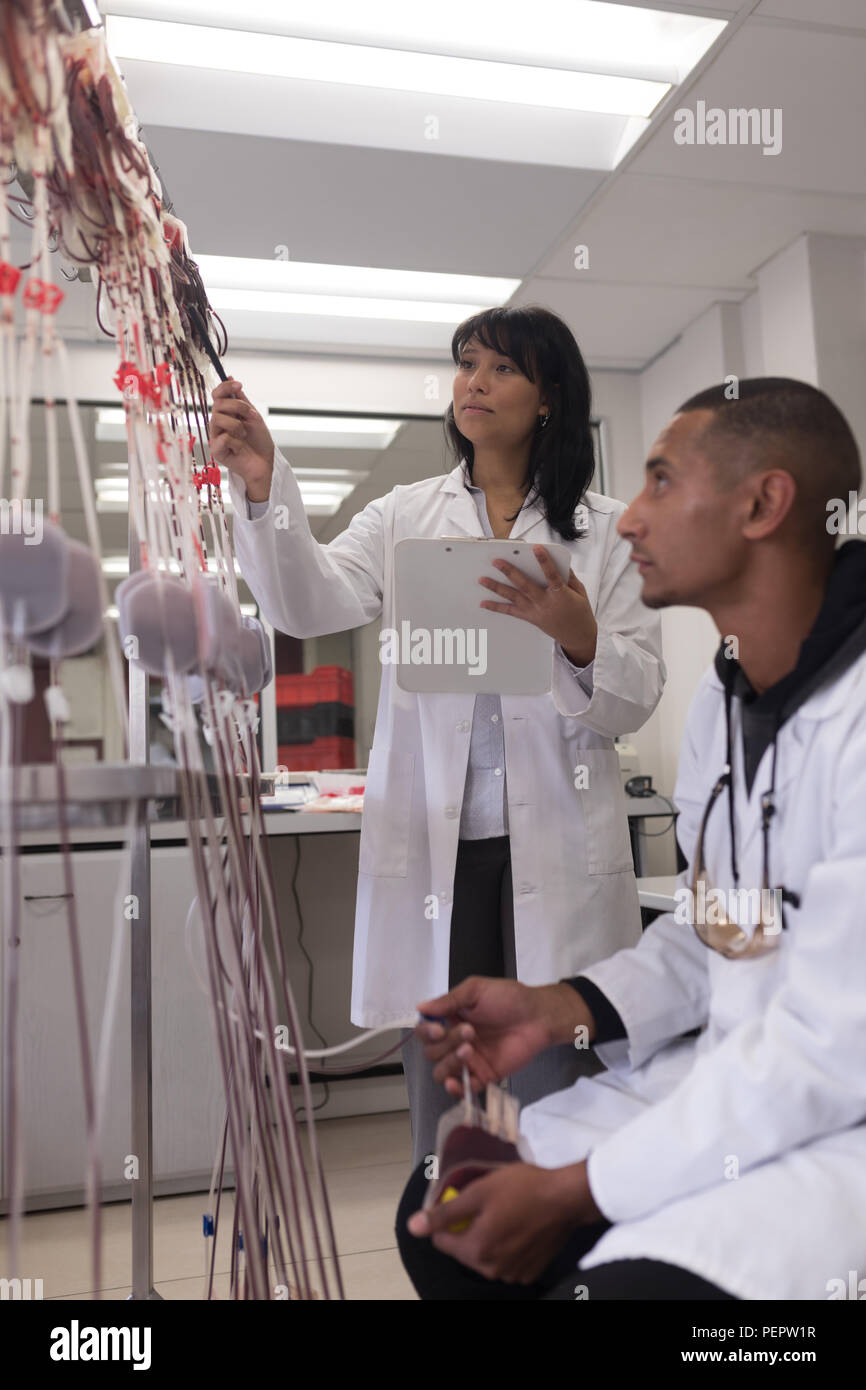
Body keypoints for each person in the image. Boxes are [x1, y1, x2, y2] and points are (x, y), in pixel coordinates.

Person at [397, 377, 866, 1301]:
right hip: (738, 1082)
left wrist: (575, 1193)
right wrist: (554, 1007)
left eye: (660, 481)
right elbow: (724, 931)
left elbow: (833, 1048)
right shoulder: (727, 705)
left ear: (763, 503)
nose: (629, 520)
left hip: (837, 1121)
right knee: (443, 1212)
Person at [211, 305, 664, 1166]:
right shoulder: (405, 516)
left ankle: (554, 1236)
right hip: (440, 842)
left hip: (558, 840)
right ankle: (452, 1236)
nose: (473, 383)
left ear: (549, 400)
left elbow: (634, 696)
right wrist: (267, 487)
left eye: (500, 368)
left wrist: (580, 635)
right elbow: (308, 605)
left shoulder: (605, 532)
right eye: (466, 365)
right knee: (450, 1073)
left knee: (552, 1075)